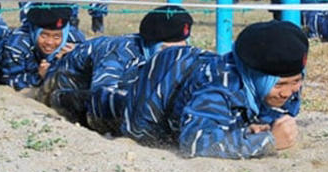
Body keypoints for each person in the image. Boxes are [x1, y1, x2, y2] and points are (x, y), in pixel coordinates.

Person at [121, 20, 307, 159]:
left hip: (185, 68)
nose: (287, 92)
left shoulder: (279, 85)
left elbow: (273, 111)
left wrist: (259, 126)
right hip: (144, 91)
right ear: (254, 78)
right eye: (279, 85)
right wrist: (268, 142)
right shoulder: (218, 89)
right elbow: (194, 142)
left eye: (296, 81)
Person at [40, 5, 193, 133]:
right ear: (150, 44)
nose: (175, 57)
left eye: (181, 50)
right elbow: (101, 98)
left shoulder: (179, 57)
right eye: (167, 50)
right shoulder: (120, 53)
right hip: (67, 86)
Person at [0, 5, 85, 91]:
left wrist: (73, 58)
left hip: (31, 69)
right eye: (44, 36)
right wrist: (39, 76)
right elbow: (11, 82)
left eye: (57, 37)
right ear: (35, 32)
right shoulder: (17, 45)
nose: (49, 42)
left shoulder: (75, 41)